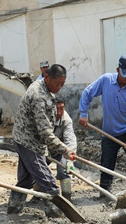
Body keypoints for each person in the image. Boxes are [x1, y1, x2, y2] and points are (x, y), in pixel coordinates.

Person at [9, 64, 76, 215]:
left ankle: (13, 209)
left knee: (26, 180)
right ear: (47, 77)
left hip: (29, 139)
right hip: (28, 141)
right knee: (47, 181)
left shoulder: (45, 87)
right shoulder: (38, 96)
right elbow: (45, 132)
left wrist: (67, 151)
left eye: (63, 84)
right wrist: (64, 150)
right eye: (57, 83)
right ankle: (56, 211)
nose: (60, 87)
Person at [78, 54, 126, 193]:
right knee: (106, 166)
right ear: (118, 70)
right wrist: (84, 113)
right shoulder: (106, 81)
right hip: (109, 133)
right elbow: (87, 93)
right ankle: (105, 194)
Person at [51, 97, 77, 198]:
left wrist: (70, 159)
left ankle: (67, 197)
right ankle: (37, 196)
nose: (59, 112)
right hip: (45, 148)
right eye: (56, 109)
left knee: (64, 170)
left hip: (61, 149)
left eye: (61, 108)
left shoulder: (66, 120)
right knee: (39, 169)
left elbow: (70, 141)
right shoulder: (45, 117)